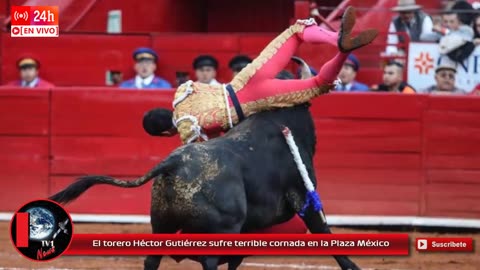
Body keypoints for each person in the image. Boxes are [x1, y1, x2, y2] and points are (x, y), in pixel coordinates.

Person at [150, 7, 377, 144]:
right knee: (295, 32)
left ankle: (343, 54)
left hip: (256, 100)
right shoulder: (182, 92)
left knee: (319, 83)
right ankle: (336, 38)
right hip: (246, 78)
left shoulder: (187, 133)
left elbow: (221, 145)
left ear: (164, 133)